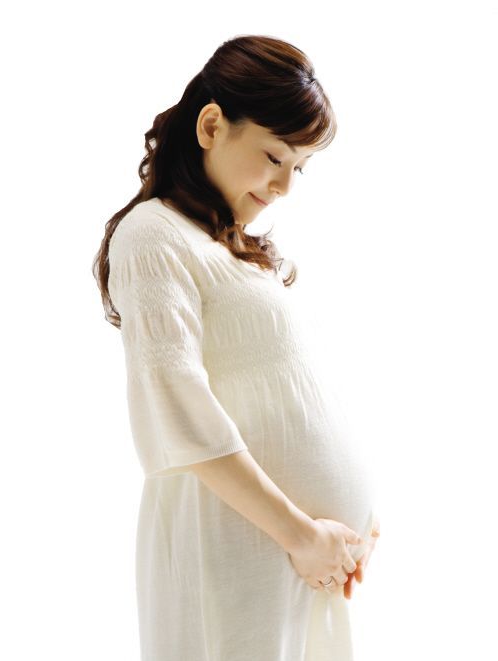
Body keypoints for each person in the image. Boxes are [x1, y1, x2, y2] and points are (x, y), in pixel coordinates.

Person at [93, 34, 380, 661]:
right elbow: (177, 406)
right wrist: (301, 534)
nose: (284, 186)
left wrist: (348, 525)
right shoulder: (153, 234)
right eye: (274, 156)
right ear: (211, 125)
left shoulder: (228, 250)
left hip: (294, 555)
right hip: (236, 542)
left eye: (299, 167)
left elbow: (286, 393)